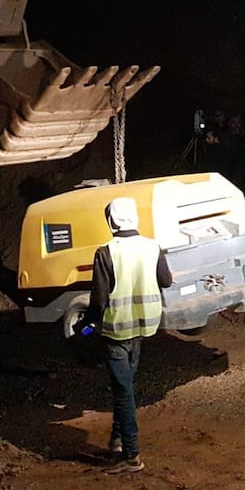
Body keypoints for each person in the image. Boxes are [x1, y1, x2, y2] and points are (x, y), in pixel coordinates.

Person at [85, 197, 173, 474]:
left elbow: (98, 300)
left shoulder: (105, 252)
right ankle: (117, 439)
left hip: (117, 331)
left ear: (110, 221)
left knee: (123, 391)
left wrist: (86, 326)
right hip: (144, 327)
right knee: (124, 386)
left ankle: (131, 456)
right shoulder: (152, 246)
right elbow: (166, 281)